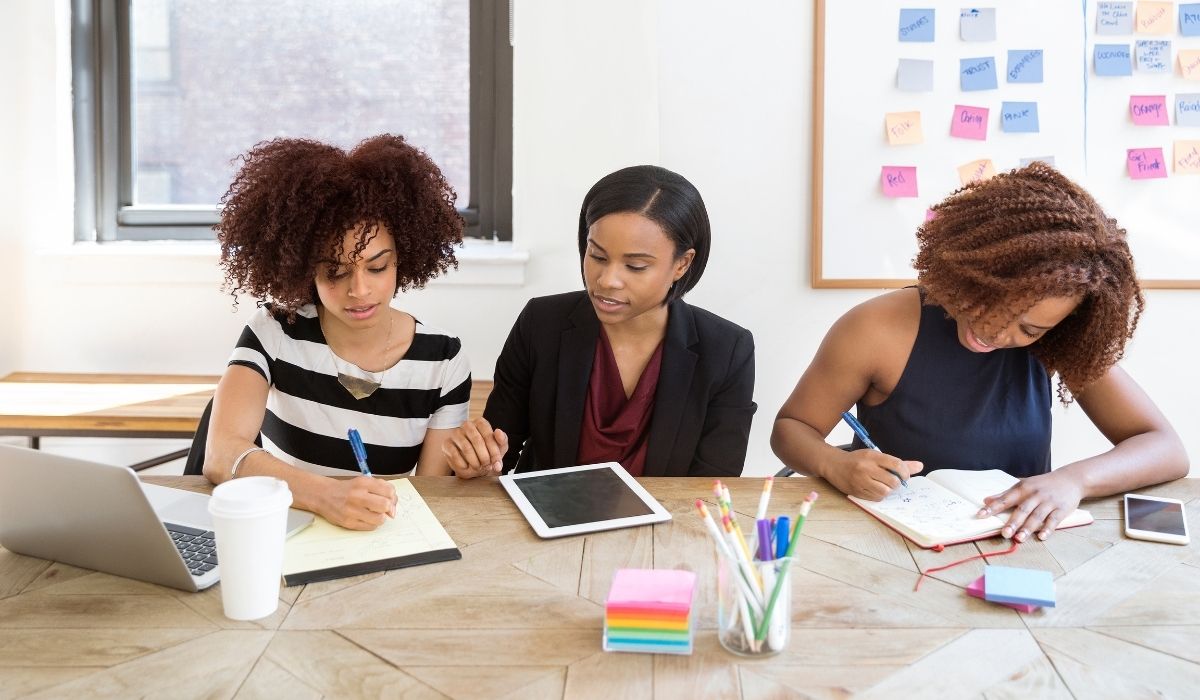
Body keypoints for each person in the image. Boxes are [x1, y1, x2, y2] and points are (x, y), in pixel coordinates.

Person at [771, 162, 1188, 542]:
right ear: (972, 272)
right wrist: (834, 464)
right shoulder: (874, 328)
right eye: (991, 304)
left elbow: (1165, 449)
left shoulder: (1060, 340)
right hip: (895, 541)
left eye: (1028, 328)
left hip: (1016, 542)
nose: (995, 332)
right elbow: (792, 428)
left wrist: (1074, 480)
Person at [204, 134, 470, 530]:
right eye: (335, 272)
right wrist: (325, 496)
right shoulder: (276, 331)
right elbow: (222, 454)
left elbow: (427, 494)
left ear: (404, 259)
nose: (359, 290)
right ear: (304, 268)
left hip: (380, 536)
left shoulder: (442, 359)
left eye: (377, 268)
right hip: (287, 535)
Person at [443, 165, 756, 478]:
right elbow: (498, 452)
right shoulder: (541, 324)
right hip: (546, 521)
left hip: (665, 525)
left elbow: (714, 487)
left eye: (635, 266)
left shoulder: (727, 351)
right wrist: (477, 462)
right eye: (597, 256)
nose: (607, 281)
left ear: (682, 264)